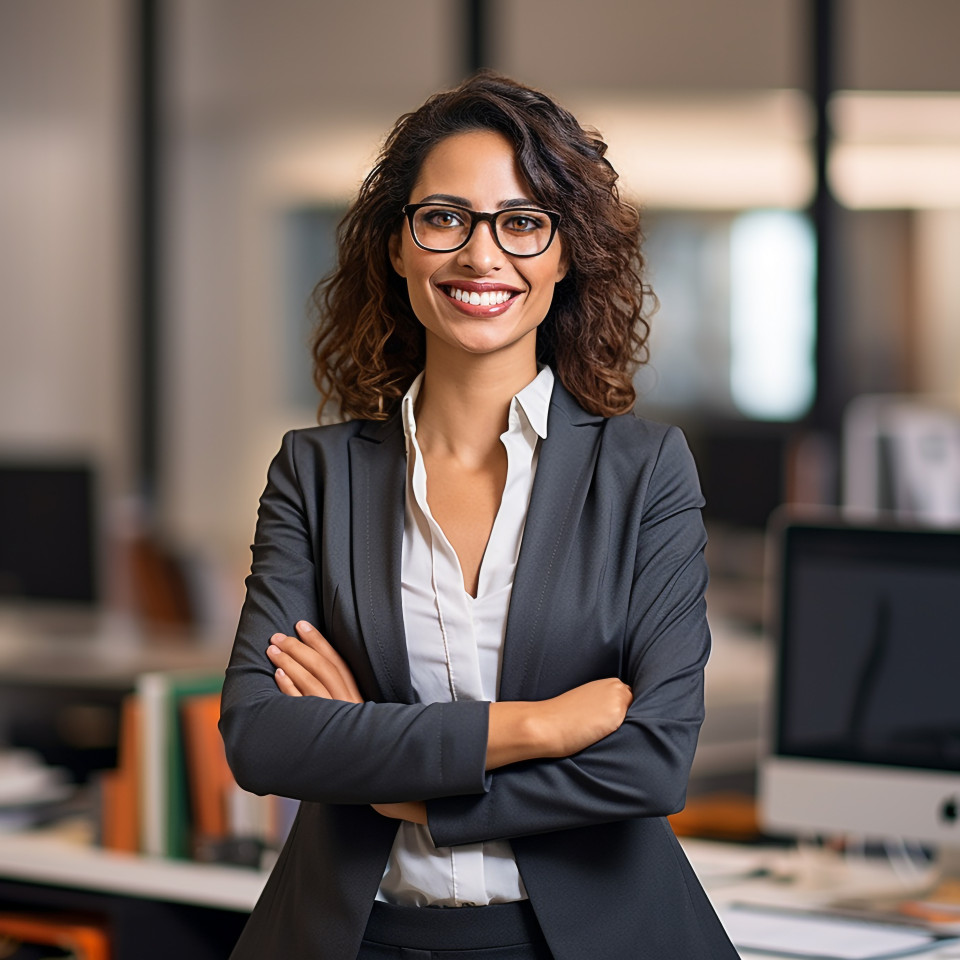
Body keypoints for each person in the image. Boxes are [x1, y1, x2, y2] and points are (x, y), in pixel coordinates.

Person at [219, 71, 738, 960]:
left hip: (584, 942)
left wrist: (398, 785)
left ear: (565, 253)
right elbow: (263, 736)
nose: (482, 256)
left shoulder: (645, 472)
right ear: (397, 245)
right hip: (355, 936)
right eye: (445, 217)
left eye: (522, 222)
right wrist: (532, 726)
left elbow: (651, 761)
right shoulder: (316, 474)